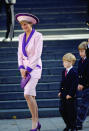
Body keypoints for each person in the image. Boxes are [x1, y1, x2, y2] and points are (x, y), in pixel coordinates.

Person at [16, 13, 43, 131]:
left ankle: (34, 122)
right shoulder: (20, 36)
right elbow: (19, 54)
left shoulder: (38, 36)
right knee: (31, 96)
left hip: (35, 68)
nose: (24, 27)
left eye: (25, 24)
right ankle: (36, 123)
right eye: (22, 25)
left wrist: (28, 69)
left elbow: (37, 54)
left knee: (27, 94)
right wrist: (21, 67)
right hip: (24, 70)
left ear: (31, 24)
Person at [58, 53, 78, 131]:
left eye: (65, 62)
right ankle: (68, 125)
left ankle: (73, 127)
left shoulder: (74, 72)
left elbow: (74, 84)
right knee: (62, 110)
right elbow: (62, 82)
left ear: (71, 62)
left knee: (71, 112)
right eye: (63, 61)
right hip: (63, 95)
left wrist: (70, 94)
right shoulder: (64, 72)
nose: (64, 63)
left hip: (70, 96)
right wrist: (60, 91)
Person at [76, 41, 89, 130]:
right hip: (84, 86)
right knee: (85, 104)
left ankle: (79, 122)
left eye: (82, 51)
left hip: (87, 86)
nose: (80, 53)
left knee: (84, 105)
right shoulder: (80, 61)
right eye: (79, 51)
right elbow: (79, 73)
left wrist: (82, 84)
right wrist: (78, 83)